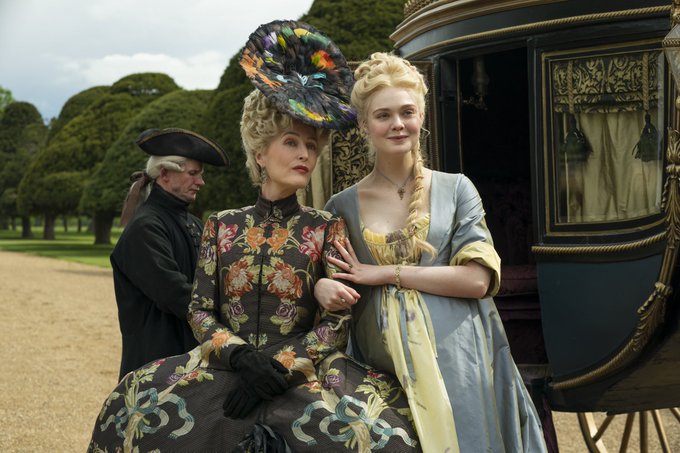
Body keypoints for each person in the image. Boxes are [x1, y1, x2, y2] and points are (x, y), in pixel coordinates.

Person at [88, 21, 419, 452]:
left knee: (383, 436)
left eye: (311, 146)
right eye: (291, 143)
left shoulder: (326, 226)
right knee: (128, 414)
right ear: (260, 153)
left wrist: (280, 366)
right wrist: (241, 357)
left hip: (303, 374)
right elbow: (200, 310)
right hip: (226, 368)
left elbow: (337, 322)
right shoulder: (222, 225)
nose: (304, 155)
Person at [318, 52, 548, 452]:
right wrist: (322, 285)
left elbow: (477, 280)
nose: (397, 124)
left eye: (407, 112)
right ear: (364, 124)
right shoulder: (341, 206)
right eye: (383, 115)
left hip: (458, 357)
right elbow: (333, 284)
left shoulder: (456, 189)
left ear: (421, 116)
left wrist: (384, 273)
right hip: (379, 367)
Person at [111, 127, 229, 379]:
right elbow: (174, 293)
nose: (201, 182)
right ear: (164, 173)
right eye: (193, 173)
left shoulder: (194, 223)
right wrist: (231, 313)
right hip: (154, 369)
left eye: (200, 174)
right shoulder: (145, 227)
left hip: (192, 362)